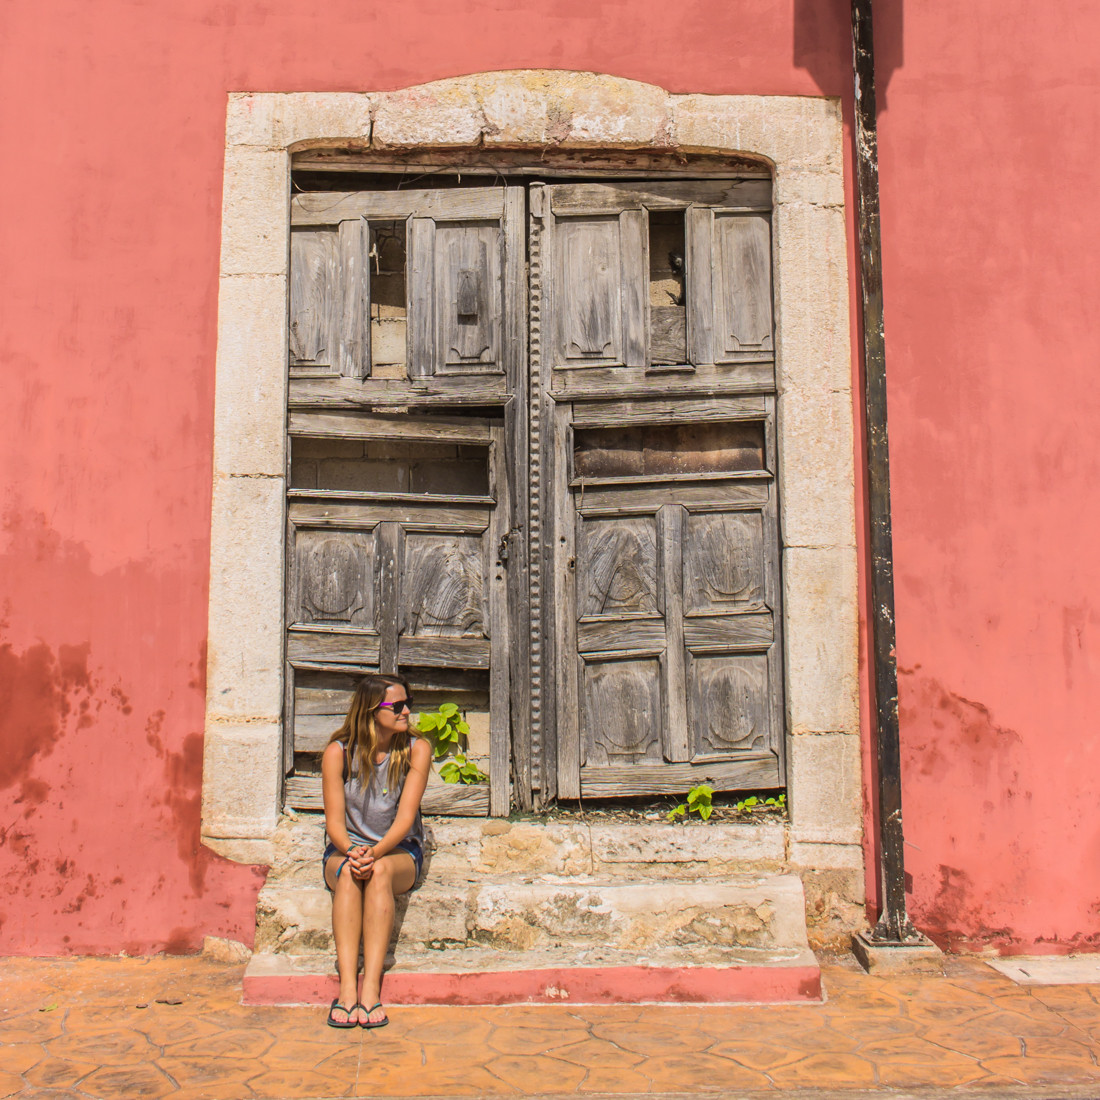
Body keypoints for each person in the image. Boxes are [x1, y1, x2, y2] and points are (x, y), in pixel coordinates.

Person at [321, 673, 431, 1028]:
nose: (406, 712)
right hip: (345, 849)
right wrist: (353, 850)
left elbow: (405, 817)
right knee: (348, 875)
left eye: (407, 703)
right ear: (371, 710)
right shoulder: (338, 753)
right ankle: (347, 990)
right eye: (397, 706)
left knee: (379, 872)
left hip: (397, 850)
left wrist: (376, 852)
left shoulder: (416, 749)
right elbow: (335, 822)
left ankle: (371, 988)